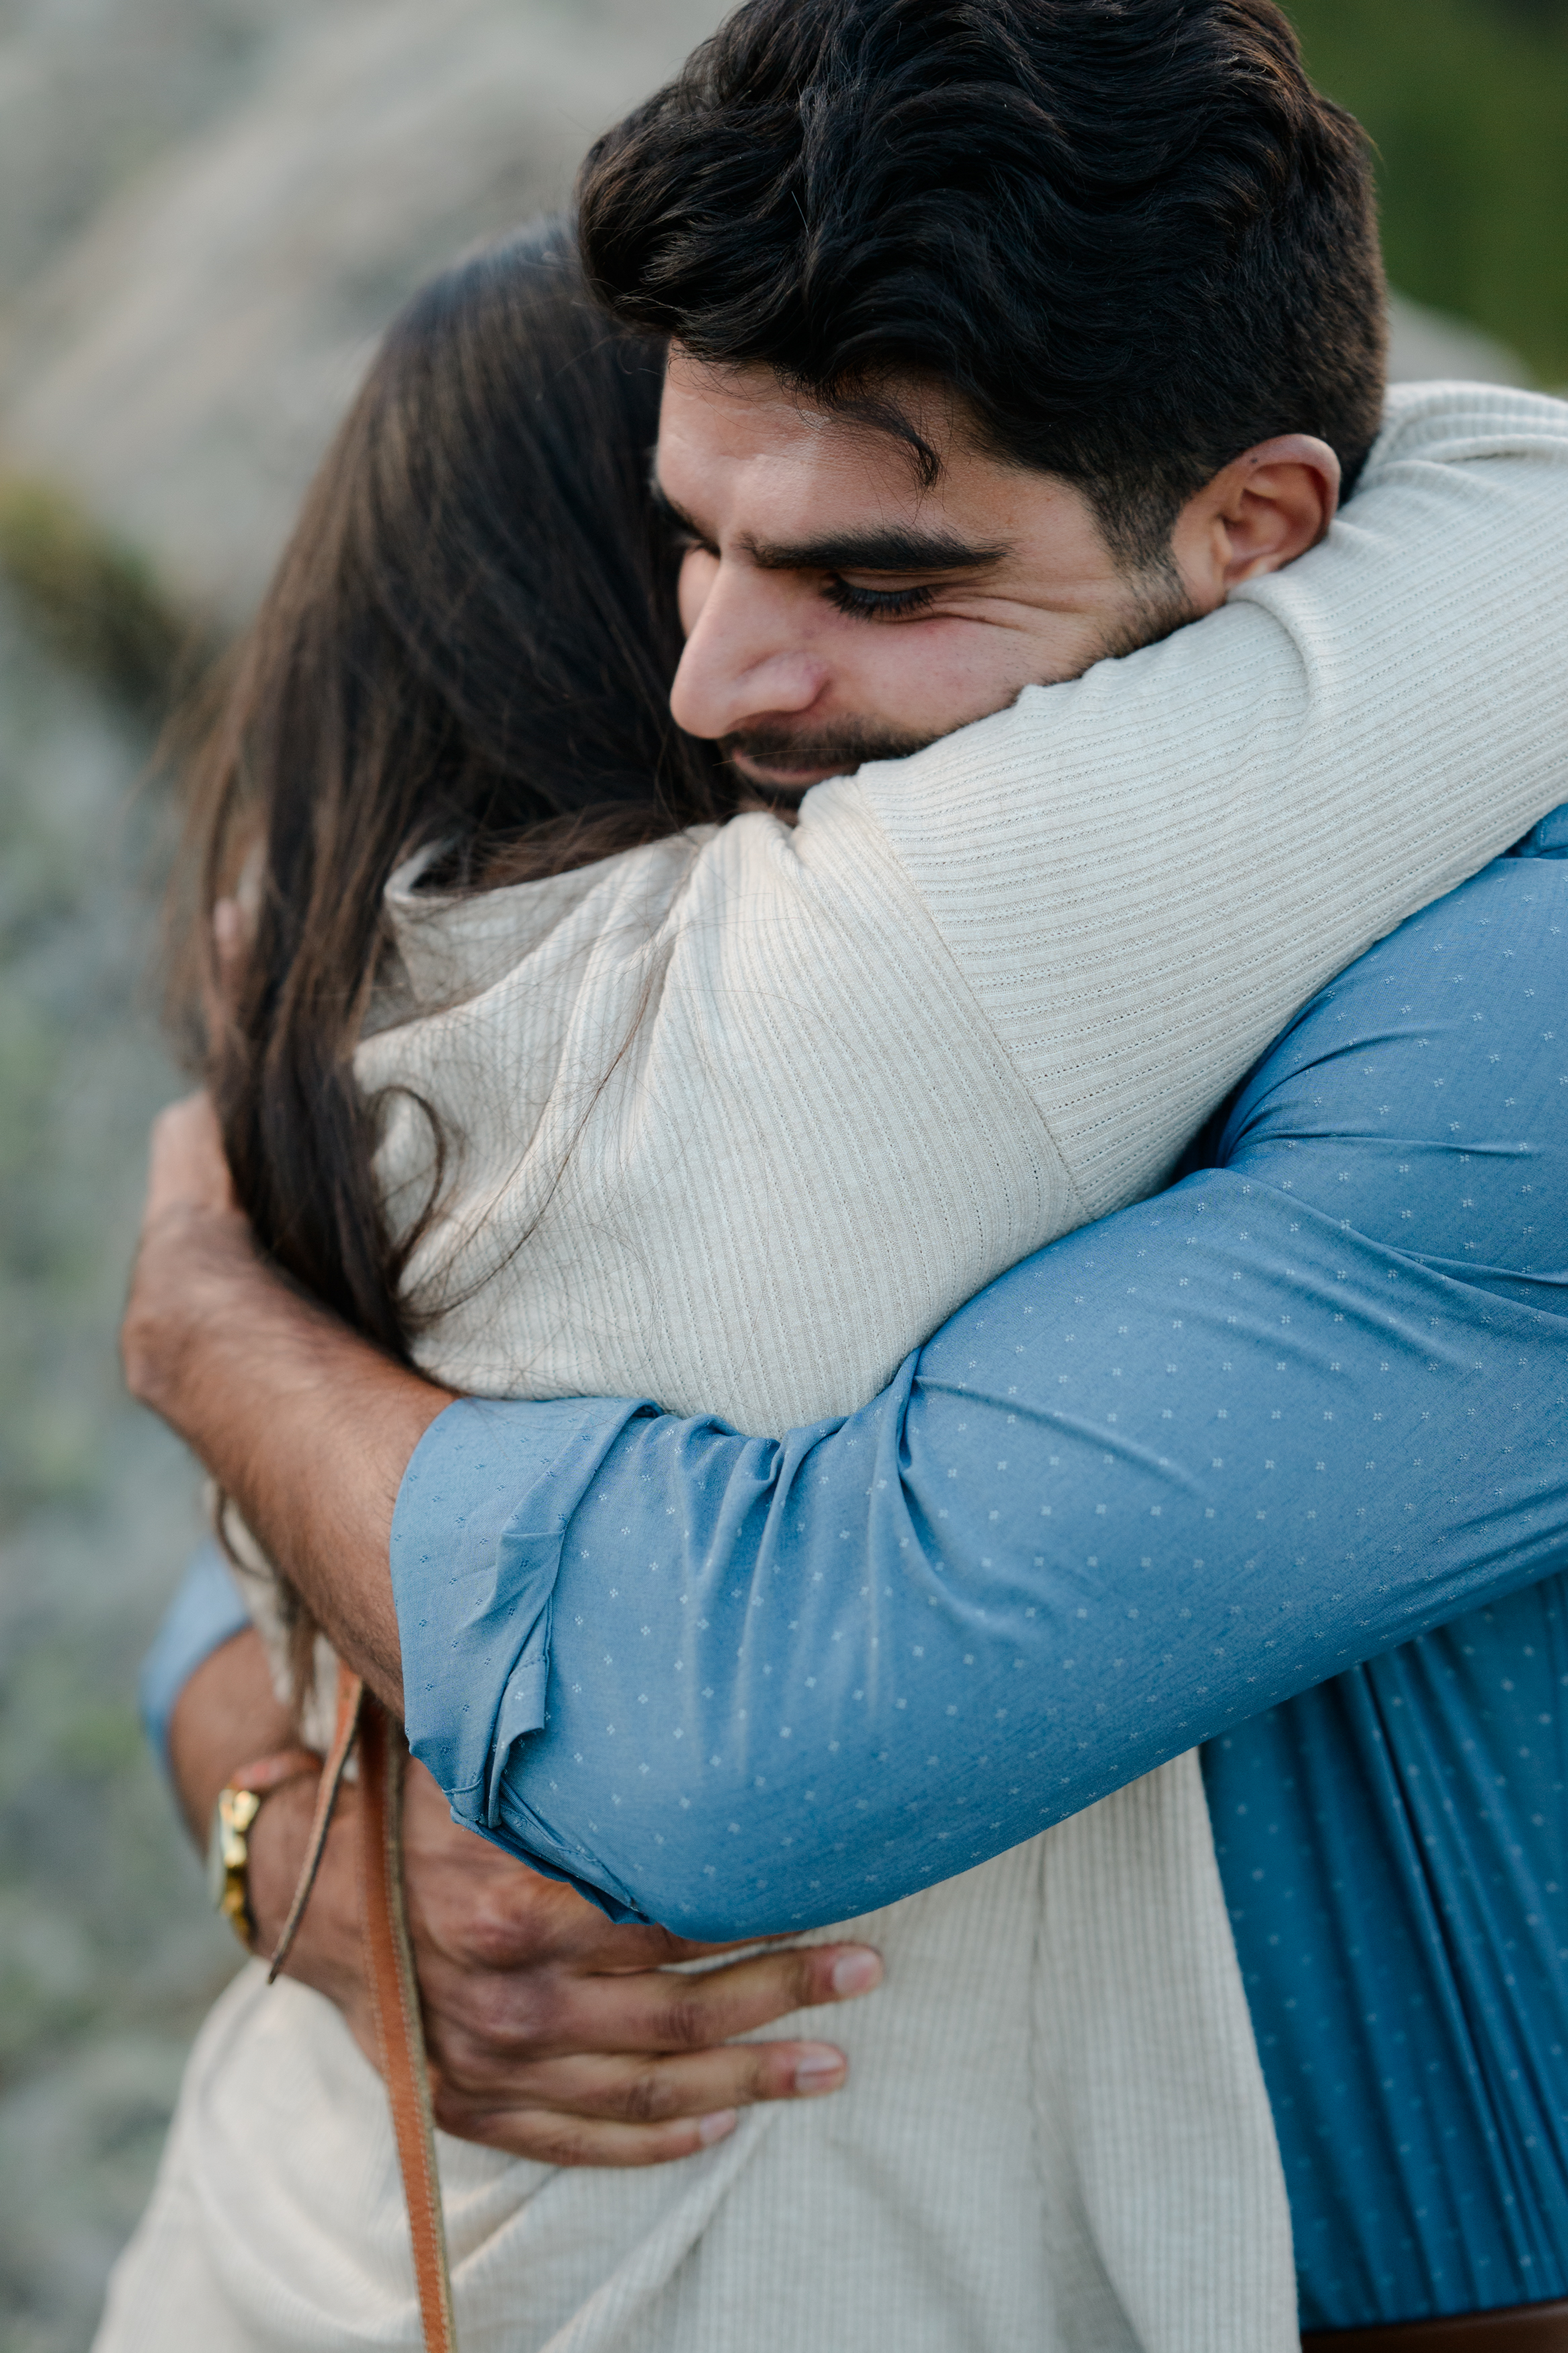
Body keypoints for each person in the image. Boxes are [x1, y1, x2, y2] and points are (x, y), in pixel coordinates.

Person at [116, 1, 1568, 2346]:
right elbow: (307, 1547)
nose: (709, 683)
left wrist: (203, 1321)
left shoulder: (1514, 1009)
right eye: (686, 545)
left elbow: (745, 1725)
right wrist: (289, 1832)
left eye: (879, 585)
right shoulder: (790, 898)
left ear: (1263, 533)